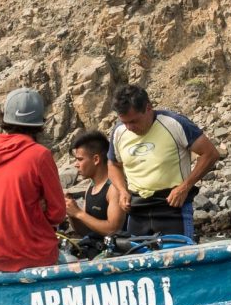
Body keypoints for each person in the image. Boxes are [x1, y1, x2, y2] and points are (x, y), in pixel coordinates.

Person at [108, 83, 220, 238]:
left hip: (172, 207)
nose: (129, 127)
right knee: (139, 261)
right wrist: (122, 191)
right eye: (124, 122)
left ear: (148, 108)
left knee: (180, 261)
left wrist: (185, 187)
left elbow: (210, 153)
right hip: (137, 210)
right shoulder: (119, 132)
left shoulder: (174, 123)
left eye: (134, 121)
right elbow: (113, 164)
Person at [0, 89, 67, 272]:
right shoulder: (39, 155)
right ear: (39, 123)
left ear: (5, 118)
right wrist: (38, 212)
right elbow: (58, 213)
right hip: (33, 254)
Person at [64, 130, 128, 248]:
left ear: (96, 159)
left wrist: (79, 213)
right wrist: (72, 213)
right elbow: (86, 231)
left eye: (80, 159)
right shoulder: (91, 187)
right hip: (95, 248)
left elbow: (113, 229)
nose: (76, 164)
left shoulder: (114, 188)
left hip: (115, 253)